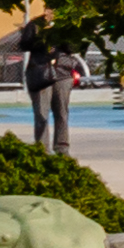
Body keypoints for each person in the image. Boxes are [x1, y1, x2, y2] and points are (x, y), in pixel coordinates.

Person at [25, 17, 78, 157]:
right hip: (41, 72)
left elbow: (74, 47)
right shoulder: (35, 24)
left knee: (62, 112)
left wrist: (60, 37)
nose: (52, 12)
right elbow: (24, 44)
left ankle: (62, 148)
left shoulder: (68, 24)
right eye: (49, 8)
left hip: (63, 73)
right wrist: (42, 40)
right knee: (41, 113)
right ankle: (42, 149)